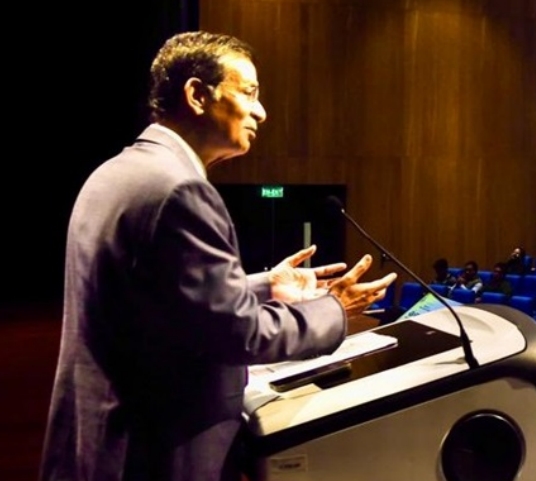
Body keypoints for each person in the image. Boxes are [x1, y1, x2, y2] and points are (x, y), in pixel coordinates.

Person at [43, 32, 397, 481]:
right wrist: (334, 310)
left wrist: (267, 285)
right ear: (197, 94)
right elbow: (237, 334)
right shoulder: (180, 190)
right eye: (248, 93)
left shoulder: (117, 172)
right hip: (155, 453)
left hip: (103, 440)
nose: (261, 112)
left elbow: (151, 297)